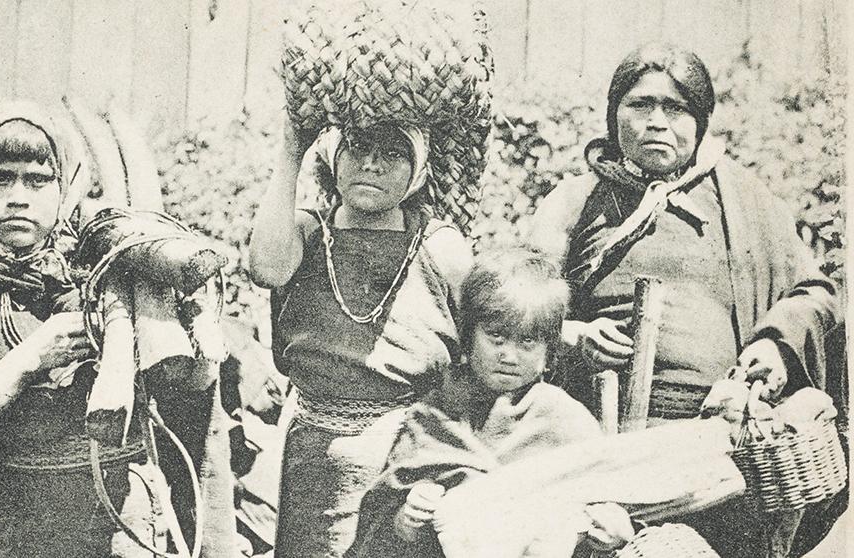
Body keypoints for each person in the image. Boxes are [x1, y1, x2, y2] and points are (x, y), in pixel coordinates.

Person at [526, 43, 840, 557]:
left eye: (676, 109)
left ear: (700, 123)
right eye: (640, 105)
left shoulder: (743, 198)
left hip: (720, 447)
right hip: (595, 445)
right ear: (613, 115)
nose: (657, 122)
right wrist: (570, 337)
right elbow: (515, 303)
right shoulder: (574, 200)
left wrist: (775, 345)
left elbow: (815, 293)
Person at [0, 101, 185, 557]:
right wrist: (32, 357)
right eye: (1, 178)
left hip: (126, 523)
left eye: (37, 179)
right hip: (15, 529)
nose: (18, 196)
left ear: (65, 189)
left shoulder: (115, 279)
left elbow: (190, 383)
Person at [248, 120, 473, 558]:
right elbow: (267, 271)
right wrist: (292, 150)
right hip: (314, 450)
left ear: (420, 170)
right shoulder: (308, 233)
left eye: (393, 153)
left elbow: (470, 358)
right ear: (333, 160)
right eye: (356, 148)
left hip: (406, 453)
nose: (371, 163)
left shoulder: (441, 246)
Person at [347, 249, 634, 558]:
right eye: (497, 337)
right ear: (469, 334)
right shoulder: (437, 410)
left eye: (527, 342)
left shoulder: (566, 419)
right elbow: (380, 525)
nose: (509, 355)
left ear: (549, 349)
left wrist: (608, 531)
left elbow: (604, 510)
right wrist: (407, 518)